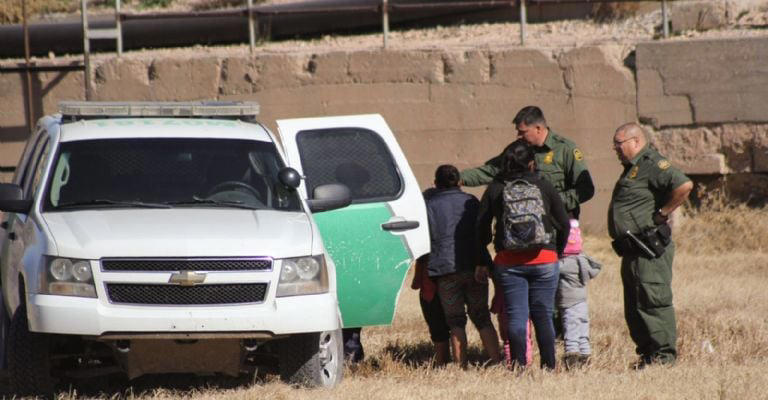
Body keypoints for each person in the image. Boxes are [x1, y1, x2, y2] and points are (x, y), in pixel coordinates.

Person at [477, 139, 570, 370]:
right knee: (543, 316)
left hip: (509, 262)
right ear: (531, 163)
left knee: (517, 317)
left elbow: (480, 228)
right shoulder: (543, 185)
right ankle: (549, 366)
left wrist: (486, 258)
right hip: (545, 260)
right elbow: (564, 224)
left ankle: (519, 368)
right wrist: (555, 252)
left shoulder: (496, 188)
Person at [609, 123, 693, 368]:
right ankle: (647, 356)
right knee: (635, 305)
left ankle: (664, 358)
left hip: (649, 248)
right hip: (632, 250)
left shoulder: (652, 163)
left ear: (635, 141)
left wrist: (663, 212)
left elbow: (684, 185)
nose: (615, 148)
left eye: (618, 143)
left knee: (653, 300)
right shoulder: (631, 169)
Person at [425, 165, 501, 368]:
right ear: (459, 182)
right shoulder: (471, 201)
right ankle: (496, 361)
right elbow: (484, 234)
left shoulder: (430, 205)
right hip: (474, 266)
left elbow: (427, 238)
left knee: (455, 321)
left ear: (436, 183)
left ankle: (461, 366)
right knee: (482, 317)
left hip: (445, 270)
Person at [461, 105, 594, 219]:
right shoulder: (519, 150)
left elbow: (586, 189)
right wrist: (458, 178)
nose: (518, 136)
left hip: (558, 225)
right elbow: (489, 171)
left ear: (538, 128)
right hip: (525, 229)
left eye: (522, 132)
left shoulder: (565, 149)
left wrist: (552, 201)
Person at [556, 219, 602, 370]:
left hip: (570, 304)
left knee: (571, 333)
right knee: (583, 333)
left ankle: (572, 361)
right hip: (582, 303)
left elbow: (550, 267)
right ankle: (585, 359)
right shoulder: (582, 259)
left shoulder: (567, 263)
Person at [411, 254, 451, 366]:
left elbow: (415, 284)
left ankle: (440, 363)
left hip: (430, 291)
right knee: (451, 327)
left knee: (437, 329)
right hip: (450, 287)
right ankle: (448, 360)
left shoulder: (423, 252)